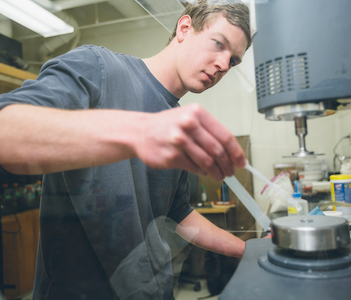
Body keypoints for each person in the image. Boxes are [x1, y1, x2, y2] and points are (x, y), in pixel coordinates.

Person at [0, 0, 252, 299]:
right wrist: (140, 132)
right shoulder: (99, 68)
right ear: (185, 28)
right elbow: (7, 132)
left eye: (233, 60)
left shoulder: (174, 122)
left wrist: (248, 250)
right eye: (218, 43)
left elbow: (179, 213)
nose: (223, 64)